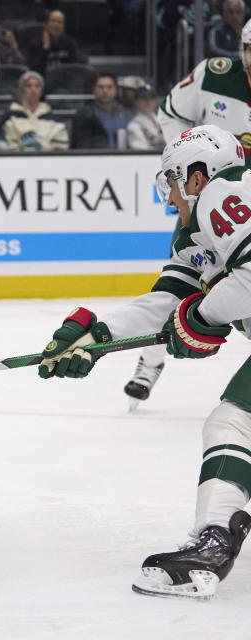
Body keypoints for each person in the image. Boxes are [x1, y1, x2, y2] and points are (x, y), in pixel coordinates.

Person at [36, 125, 251, 600]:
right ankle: (217, 534)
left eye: (172, 182)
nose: (170, 197)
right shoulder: (200, 228)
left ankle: (216, 540)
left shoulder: (227, 190)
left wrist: (201, 315)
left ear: (197, 176)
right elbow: (169, 298)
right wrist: (96, 336)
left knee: (234, 426)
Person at [126, 18, 251, 407]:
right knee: (181, 281)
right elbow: (169, 113)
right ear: (242, 49)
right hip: (211, 197)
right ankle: (149, 361)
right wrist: (188, 163)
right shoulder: (213, 75)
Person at [3, 70, 69, 151]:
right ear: (22, 89)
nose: (33, 89)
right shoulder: (9, 117)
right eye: (28, 86)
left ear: (41, 90)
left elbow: (61, 147)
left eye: (37, 86)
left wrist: (42, 148)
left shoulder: (52, 119)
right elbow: (7, 146)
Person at [70, 72, 131, 149]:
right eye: (100, 87)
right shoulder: (83, 115)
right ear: (93, 89)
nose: (105, 91)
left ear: (116, 90)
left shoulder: (124, 113)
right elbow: (80, 146)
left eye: (109, 87)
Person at [20, 9, 84, 74]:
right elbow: (33, 72)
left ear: (63, 26)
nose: (56, 25)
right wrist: (45, 48)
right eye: (53, 21)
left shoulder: (71, 44)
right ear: (46, 24)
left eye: (60, 22)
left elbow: (76, 69)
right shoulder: (35, 44)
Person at [126, 85, 164, 150]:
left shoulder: (161, 119)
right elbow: (142, 152)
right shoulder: (134, 126)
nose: (148, 101)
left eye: (152, 98)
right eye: (144, 98)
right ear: (136, 101)